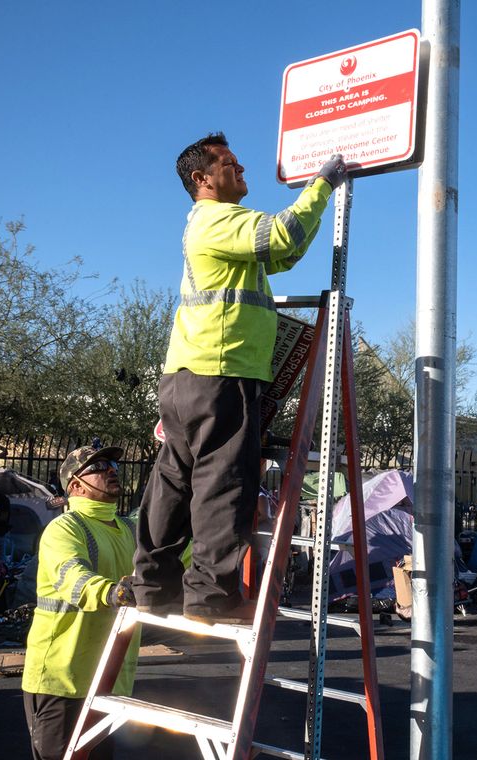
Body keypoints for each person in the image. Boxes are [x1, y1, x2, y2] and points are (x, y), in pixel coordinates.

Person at [133, 132, 347, 625]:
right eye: (229, 163)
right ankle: (210, 597)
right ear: (201, 179)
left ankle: (153, 587)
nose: (242, 168)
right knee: (222, 485)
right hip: (223, 372)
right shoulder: (217, 219)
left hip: (189, 375)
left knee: (174, 482)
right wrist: (322, 184)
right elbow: (283, 235)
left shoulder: (208, 226)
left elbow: (282, 254)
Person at [22, 445, 138, 760]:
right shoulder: (64, 528)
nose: (111, 469)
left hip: (109, 678)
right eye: (99, 466)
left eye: (111, 463)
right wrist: (114, 593)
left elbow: (175, 554)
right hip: (62, 679)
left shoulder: (129, 529)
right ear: (75, 485)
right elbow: (72, 577)